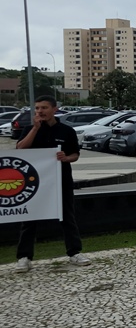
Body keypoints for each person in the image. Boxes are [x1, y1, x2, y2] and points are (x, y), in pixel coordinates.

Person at [14, 95, 90, 273]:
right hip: (33, 183)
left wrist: (66, 158)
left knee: (67, 217)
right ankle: (24, 257)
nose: (40, 111)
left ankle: (74, 252)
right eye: (37, 108)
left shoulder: (66, 131)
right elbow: (20, 149)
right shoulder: (29, 129)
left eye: (44, 108)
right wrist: (35, 129)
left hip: (60, 180)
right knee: (29, 219)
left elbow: (75, 155)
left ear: (54, 109)